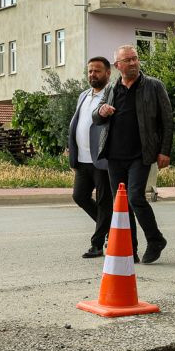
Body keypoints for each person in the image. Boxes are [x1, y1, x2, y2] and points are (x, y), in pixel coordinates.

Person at [93, 45, 173, 263]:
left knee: (136, 197)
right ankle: (131, 250)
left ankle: (155, 239)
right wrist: (101, 111)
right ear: (117, 65)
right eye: (127, 60)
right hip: (114, 155)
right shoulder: (111, 89)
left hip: (141, 154)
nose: (133, 63)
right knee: (121, 203)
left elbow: (167, 120)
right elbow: (96, 117)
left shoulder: (154, 86)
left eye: (135, 59)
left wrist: (164, 151)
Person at [68, 56, 113, 258]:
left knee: (104, 202)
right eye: (90, 71)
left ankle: (97, 244)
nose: (92, 75)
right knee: (80, 196)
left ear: (108, 73)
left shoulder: (112, 94)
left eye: (97, 71)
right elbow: (78, 123)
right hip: (83, 159)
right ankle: (108, 228)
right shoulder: (84, 95)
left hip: (102, 159)